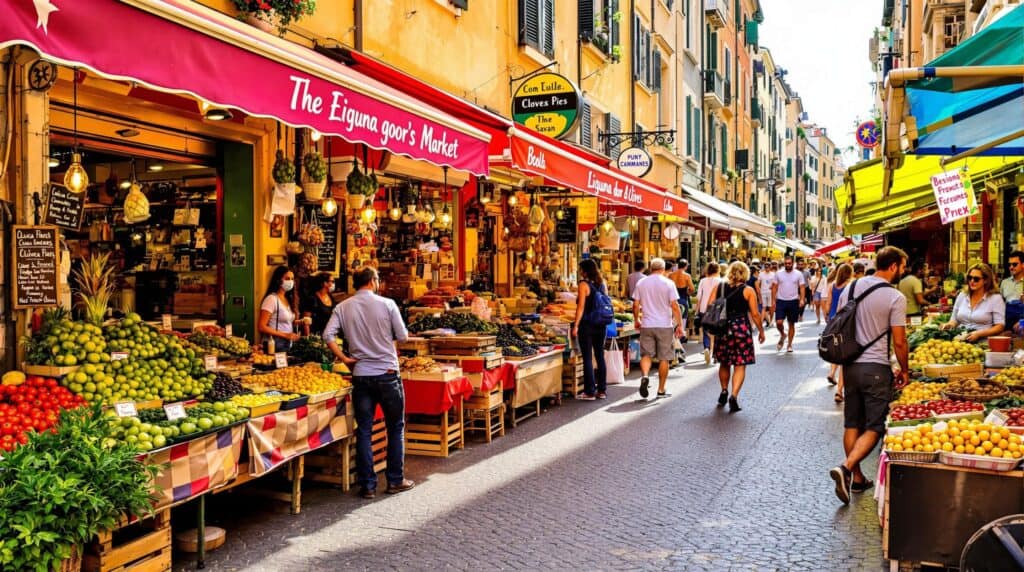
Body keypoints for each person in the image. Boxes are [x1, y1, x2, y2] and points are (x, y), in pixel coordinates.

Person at [323, 267, 414, 499]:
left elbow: (327, 336)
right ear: (373, 281)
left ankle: (368, 486)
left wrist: (344, 358)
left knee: (364, 430)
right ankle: (395, 480)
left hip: (361, 374)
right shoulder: (388, 304)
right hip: (387, 373)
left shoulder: (343, 307)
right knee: (395, 427)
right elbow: (403, 337)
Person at [829, 246, 909, 505]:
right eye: (903, 266)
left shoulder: (851, 287)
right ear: (894, 266)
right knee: (874, 426)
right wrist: (905, 370)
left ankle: (858, 478)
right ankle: (846, 467)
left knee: (852, 423)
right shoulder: (895, 297)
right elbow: (899, 342)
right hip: (876, 368)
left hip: (850, 366)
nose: (904, 271)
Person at [706, 262, 766, 412]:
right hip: (740, 328)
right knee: (740, 364)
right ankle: (734, 395)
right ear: (745, 273)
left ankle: (724, 390)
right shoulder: (748, 290)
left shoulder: (719, 287)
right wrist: (761, 331)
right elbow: (755, 314)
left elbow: (709, 305)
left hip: (723, 328)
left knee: (724, 362)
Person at [632, 258, 685, 399]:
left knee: (646, 354)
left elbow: (636, 305)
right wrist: (680, 325)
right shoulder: (668, 283)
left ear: (650, 268)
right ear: (663, 269)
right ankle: (661, 390)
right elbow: (675, 306)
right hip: (664, 325)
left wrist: (636, 319)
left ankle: (644, 376)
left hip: (647, 324)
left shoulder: (641, 282)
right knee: (664, 358)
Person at [572, 259, 609, 400]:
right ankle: (602, 390)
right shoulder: (602, 283)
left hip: (587, 325)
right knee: (600, 356)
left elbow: (580, 307)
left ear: (584, 270)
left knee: (587, 357)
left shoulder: (583, 285)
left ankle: (589, 391)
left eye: (581, 269)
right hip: (601, 324)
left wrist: (575, 325)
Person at [941, 263, 1006, 342]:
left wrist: (979, 334)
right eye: (969, 278)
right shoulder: (962, 295)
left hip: (983, 342)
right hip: (960, 341)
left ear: (985, 280)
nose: (972, 281)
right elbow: (954, 319)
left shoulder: (995, 298)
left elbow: (999, 326)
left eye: (976, 279)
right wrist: (949, 325)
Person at [825, 263, 854, 403]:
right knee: (845, 359)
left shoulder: (832, 285)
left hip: (833, 320)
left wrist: (827, 316)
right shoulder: (851, 285)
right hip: (846, 323)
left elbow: (829, 303)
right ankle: (839, 391)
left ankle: (831, 372)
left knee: (835, 350)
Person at [258, 266, 301, 353]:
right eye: (287, 278)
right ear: (278, 280)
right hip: (274, 343)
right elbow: (261, 326)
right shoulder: (271, 299)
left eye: (292, 279)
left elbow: (286, 321)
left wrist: (299, 321)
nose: (290, 282)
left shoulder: (288, 299)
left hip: (288, 343)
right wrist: (285, 335)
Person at [771, 256, 805, 353]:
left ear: (793, 263)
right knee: (779, 322)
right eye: (786, 263)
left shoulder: (798, 274)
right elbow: (774, 287)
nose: (787, 265)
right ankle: (782, 334)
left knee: (791, 324)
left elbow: (802, 287)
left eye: (789, 263)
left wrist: (802, 299)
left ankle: (789, 344)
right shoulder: (778, 273)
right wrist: (773, 301)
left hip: (793, 301)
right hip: (781, 301)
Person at [695, 262, 722, 365]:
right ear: (718, 270)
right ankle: (715, 354)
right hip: (716, 309)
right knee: (717, 332)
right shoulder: (721, 281)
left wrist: (697, 310)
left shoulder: (702, 281)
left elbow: (699, 297)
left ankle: (706, 347)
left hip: (703, 308)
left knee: (706, 330)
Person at [301, 272, 336, 337]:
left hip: (328, 335)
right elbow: (306, 321)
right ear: (324, 283)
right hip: (316, 336)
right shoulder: (312, 299)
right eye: (332, 281)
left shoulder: (330, 297)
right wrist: (308, 339)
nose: (333, 284)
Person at [668, 259, 695, 342]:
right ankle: (681, 335)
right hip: (683, 298)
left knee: (672, 318)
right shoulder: (687, 276)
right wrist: (688, 292)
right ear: (686, 266)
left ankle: (673, 335)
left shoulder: (671, 275)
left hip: (673, 299)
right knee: (683, 318)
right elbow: (692, 289)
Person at [760, 262, 776, 328]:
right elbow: (759, 283)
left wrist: (772, 286)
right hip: (763, 292)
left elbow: (775, 283)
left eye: (768, 267)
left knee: (770, 307)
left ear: (770, 267)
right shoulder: (761, 274)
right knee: (764, 307)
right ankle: (761, 323)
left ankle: (771, 321)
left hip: (770, 292)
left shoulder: (773, 274)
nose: (767, 268)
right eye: (765, 267)